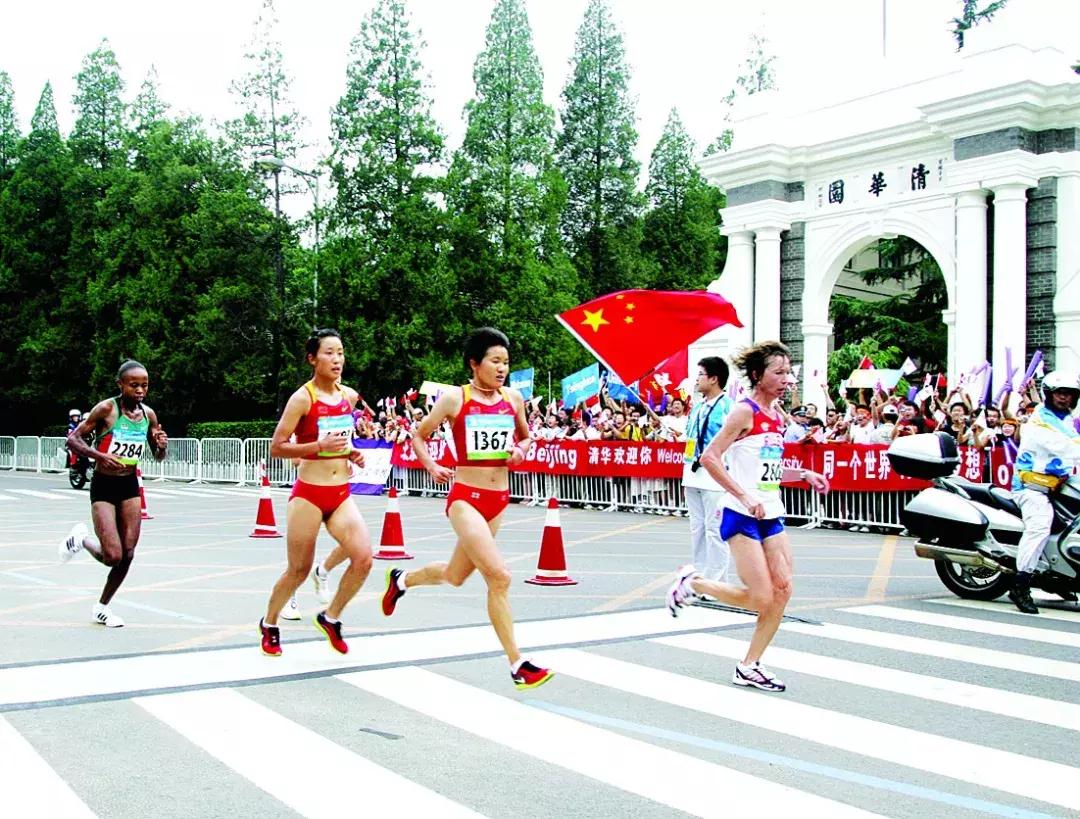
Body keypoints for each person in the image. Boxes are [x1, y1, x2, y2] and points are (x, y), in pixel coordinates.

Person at [380, 327, 552, 690]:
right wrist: (432, 465)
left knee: (456, 576)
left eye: (506, 361)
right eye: (495, 361)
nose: (502, 368)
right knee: (500, 576)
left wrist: (520, 453)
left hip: (498, 500)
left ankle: (401, 580)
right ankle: (517, 663)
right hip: (465, 499)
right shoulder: (454, 399)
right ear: (475, 363)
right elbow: (417, 434)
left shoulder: (514, 398)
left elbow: (526, 437)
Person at [666, 341, 830, 692]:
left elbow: (764, 469)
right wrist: (743, 495)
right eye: (779, 372)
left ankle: (750, 664)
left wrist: (802, 475)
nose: (787, 379)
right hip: (741, 515)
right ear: (758, 375)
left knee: (783, 589)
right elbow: (711, 457)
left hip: (771, 512)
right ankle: (692, 583)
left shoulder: (777, 415)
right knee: (760, 597)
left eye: (789, 372)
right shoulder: (744, 411)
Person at [258, 329, 372, 656]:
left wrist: (350, 453)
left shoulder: (348, 397)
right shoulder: (302, 398)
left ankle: (330, 617)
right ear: (312, 358)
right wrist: (318, 446)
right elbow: (277, 447)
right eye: (329, 353)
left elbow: (341, 439)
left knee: (364, 558)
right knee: (298, 570)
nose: (337, 360)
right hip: (308, 494)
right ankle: (269, 622)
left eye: (340, 353)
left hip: (340, 494)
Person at [60, 361, 169, 627]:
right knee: (113, 556)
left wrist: (162, 446)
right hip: (104, 485)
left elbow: (158, 455)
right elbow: (73, 439)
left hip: (129, 485)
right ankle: (81, 539)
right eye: (134, 385)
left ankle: (102, 607)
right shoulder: (107, 409)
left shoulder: (148, 415)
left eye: (144, 385)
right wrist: (100, 456)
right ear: (120, 385)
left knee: (128, 553)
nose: (140, 390)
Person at [1007, 370, 1080, 614]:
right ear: (1049, 395)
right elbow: (1069, 446)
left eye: (1070, 394)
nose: (1065, 398)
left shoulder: (1066, 419)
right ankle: (1021, 584)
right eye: (1060, 393)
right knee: (1040, 525)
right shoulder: (1040, 421)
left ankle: (1059, 577)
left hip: (1059, 486)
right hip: (1032, 488)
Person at [682, 356, 734, 582]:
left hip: (714, 474)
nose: (696, 380)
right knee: (698, 528)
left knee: (715, 529)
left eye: (700, 375)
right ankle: (701, 577)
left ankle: (716, 580)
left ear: (714, 379)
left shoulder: (728, 407)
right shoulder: (698, 406)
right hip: (692, 471)